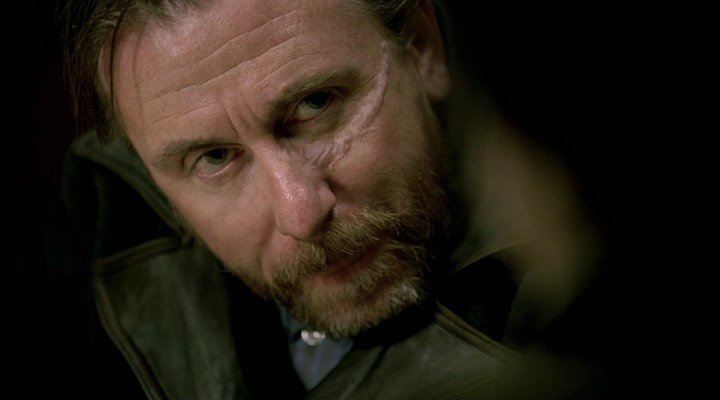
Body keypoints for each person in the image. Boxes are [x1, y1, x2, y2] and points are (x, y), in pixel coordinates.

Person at [9, 0, 611, 398]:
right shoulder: (106, 209)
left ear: (421, 47)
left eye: (316, 104)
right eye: (214, 158)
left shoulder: (570, 326)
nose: (301, 213)